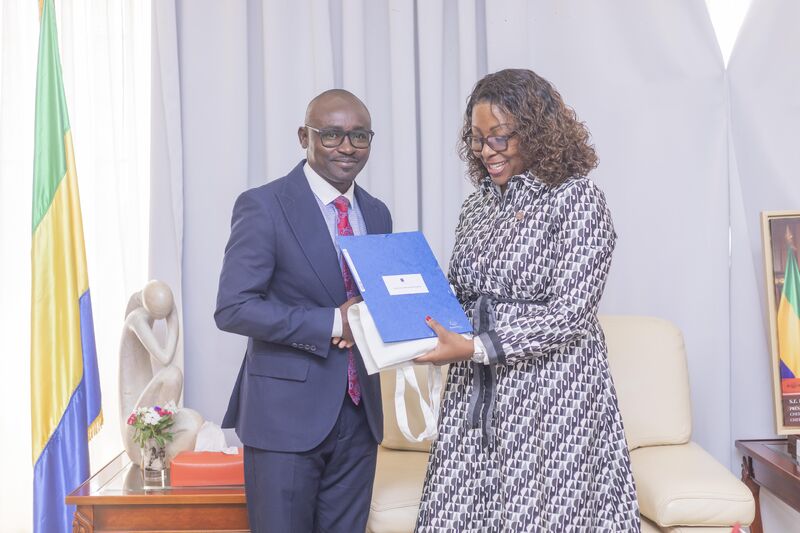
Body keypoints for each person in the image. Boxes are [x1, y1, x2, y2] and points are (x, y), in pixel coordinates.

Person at [414, 69, 640, 531]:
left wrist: (477, 346)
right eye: (477, 139)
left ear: (537, 133)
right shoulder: (477, 206)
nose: (486, 151)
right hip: (476, 389)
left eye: (499, 137)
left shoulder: (577, 199)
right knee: (459, 512)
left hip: (551, 393)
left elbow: (571, 313)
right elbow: (461, 293)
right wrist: (404, 313)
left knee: (542, 516)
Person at [214, 89, 392, 533]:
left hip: (360, 415)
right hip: (284, 417)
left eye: (359, 136)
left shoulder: (377, 213)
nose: (347, 147)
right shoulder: (264, 205)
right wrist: (333, 321)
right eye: (331, 135)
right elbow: (234, 307)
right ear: (303, 137)